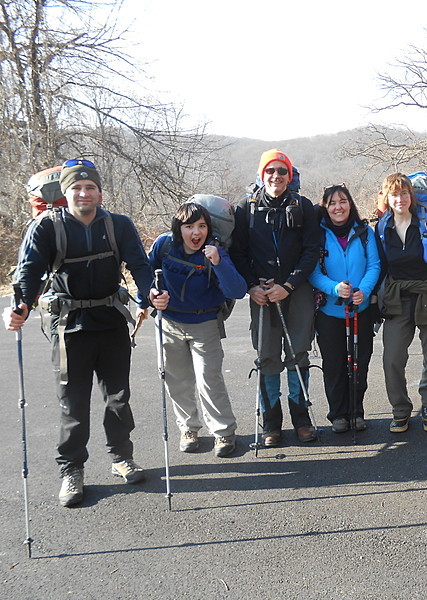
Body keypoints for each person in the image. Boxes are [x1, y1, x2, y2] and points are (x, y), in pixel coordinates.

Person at [4, 159, 153, 507]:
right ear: (66, 192)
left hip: (111, 321)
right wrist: (20, 307)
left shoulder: (118, 225)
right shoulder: (47, 227)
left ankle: (121, 458)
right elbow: (28, 272)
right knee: (74, 403)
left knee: (118, 398)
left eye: (90, 187)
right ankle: (72, 470)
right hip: (69, 327)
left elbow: (140, 265)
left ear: (99, 192)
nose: (83, 193)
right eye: (76, 188)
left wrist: (152, 295)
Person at [229, 149, 321, 447]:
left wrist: (291, 285)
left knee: (298, 354)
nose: (276, 176)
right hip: (262, 294)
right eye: (271, 171)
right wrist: (251, 287)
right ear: (261, 174)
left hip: (297, 291)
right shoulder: (246, 208)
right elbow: (238, 253)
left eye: (282, 171)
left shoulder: (304, 207)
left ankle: (301, 418)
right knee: (267, 356)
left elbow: (311, 251)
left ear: (290, 175)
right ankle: (271, 422)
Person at [148, 202, 246, 457]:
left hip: (205, 324)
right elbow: (145, 275)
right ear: (178, 228)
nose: (196, 232)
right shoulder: (164, 245)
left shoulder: (215, 251)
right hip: (169, 323)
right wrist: (150, 296)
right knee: (177, 381)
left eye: (201, 226)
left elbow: (237, 290)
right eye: (189, 226)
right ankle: (188, 429)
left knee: (209, 380)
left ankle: (223, 433)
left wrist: (218, 262)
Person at [376, 173, 427, 433]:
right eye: (394, 194)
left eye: (404, 193)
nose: (400, 199)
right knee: (392, 358)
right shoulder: (381, 229)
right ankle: (400, 409)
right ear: (387, 198)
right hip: (397, 297)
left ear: (411, 196)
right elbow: (379, 266)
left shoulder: (426, 222)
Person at [309, 184, 382, 433]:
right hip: (330, 312)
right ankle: (338, 414)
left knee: (359, 365)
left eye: (342, 201)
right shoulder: (316, 234)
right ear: (325, 207)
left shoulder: (364, 232)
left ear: (350, 203)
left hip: (360, 310)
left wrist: (364, 289)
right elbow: (313, 272)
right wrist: (333, 288)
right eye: (332, 203)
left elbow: (374, 264)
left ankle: (356, 411)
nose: (338, 207)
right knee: (334, 365)